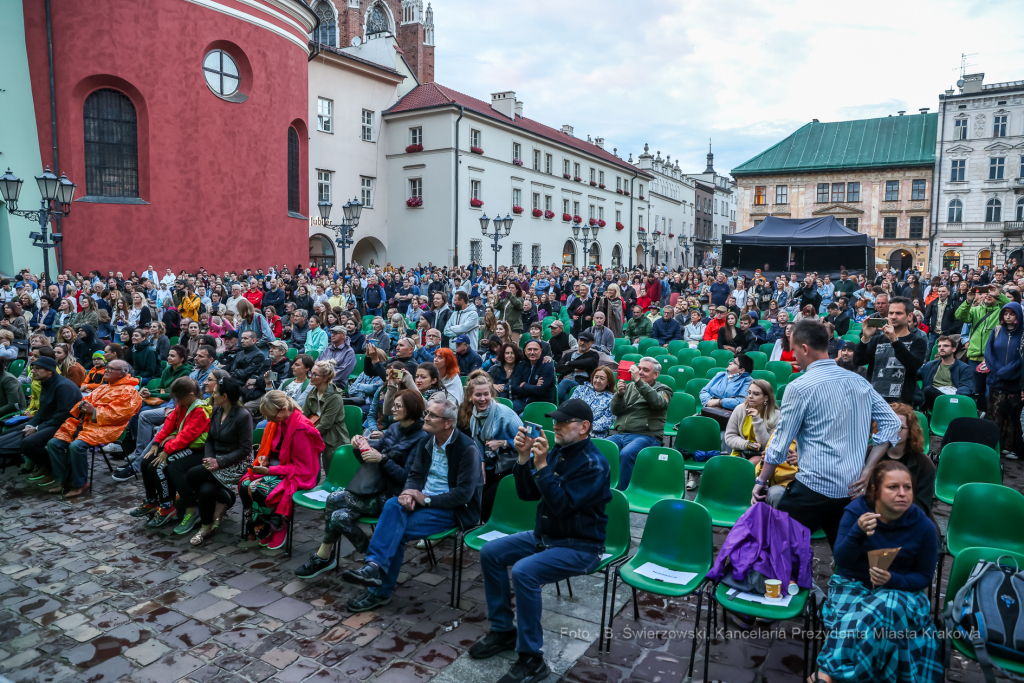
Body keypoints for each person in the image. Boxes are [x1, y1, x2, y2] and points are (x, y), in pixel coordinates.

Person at [471, 399, 610, 683]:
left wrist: (542, 464)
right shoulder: (558, 450)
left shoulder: (594, 464)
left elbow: (561, 505)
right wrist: (523, 458)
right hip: (545, 536)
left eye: (563, 422)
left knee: (525, 572)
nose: (555, 426)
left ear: (584, 427)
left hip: (581, 545)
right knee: (491, 552)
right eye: (555, 421)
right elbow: (528, 495)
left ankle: (532, 658)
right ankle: (503, 631)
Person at [753, 320, 902, 547]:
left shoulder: (799, 386)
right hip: (851, 487)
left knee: (777, 546)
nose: (793, 355)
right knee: (845, 554)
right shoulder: (857, 381)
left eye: (793, 349)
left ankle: (794, 583)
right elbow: (892, 423)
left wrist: (760, 480)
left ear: (805, 349)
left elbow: (779, 444)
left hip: (814, 486)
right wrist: (867, 468)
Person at [338, 395, 482, 612]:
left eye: (432, 415)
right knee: (393, 505)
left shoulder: (466, 449)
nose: (426, 418)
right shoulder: (427, 441)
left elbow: (463, 495)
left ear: (447, 423)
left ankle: (378, 588)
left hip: (451, 510)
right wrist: (407, 492)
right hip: (421, 502)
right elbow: (414, 474)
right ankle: (375, 568)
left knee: (397, 531)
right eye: (427, 413)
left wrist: (426, 498)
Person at [816, 460, 940, 683]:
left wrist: (893, 579)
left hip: (903, 591)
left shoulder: (924, 527)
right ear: (875, 490)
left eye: (908, 487)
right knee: (886, 620)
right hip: (853, 584)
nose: (902, 493)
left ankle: (829, 671)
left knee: (889, 605)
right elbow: (842, 562)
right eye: (893, 487)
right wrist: (858, 532)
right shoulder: (856, 513)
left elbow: (923, 577)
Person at [296, 388, 428, 579]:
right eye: (394, 404)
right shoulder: (393, 428)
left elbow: (408, 478)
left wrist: (381, 459)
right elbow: (369, 458)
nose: (393, 408)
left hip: (392, 495)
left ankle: (327, 557)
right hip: (372, 487)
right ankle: (372, 561)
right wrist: (361, 445)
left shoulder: (422, 439)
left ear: (411, 409)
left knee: (333, 499)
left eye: (399, 405)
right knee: (338, 517)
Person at [43, 359, 142, 498]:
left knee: (76, 446)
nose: (106, 370)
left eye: (111, 368)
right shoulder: (103, 386)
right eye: (107, 366)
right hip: (88, 424)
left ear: (122, 373)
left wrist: (94, 411)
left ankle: (80, 483)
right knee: (54, 443)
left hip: (109, 428)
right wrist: (82, 405)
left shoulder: (130, 391)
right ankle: (63, 480)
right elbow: (87, 400)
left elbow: (120, 415)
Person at [240, 390, 323, 549]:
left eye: (271, 416)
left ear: (284, 409)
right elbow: (271, 450)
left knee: (261, 489)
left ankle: (278, 526)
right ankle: (262, 527)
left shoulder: (301, 429)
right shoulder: (276, 422)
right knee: (245, 486)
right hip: (277, 466)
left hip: (298, 473)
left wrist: (270, 471)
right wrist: (264, 458)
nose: (269, 420)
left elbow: (302, 467)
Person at [133, 377, 213, 529]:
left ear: (190, 394)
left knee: (157, 466)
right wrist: (156, 443)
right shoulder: (183, 405)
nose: (177, 402)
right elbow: (169, 423)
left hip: (196, 448)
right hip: (180, 444)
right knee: (146, 461)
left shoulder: (199, 410)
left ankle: (168, 506)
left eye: (179, 398)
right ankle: (151, 501)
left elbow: (187, 435)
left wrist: (167, 451)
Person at [183, 376, 253, 546]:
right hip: (216, 459)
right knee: (207, 489)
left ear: (225, 396)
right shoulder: (216, 410)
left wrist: (219, 462)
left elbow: (245, 450)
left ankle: (226, 498)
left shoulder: (243, 416)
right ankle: (207, 525)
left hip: (236, 463)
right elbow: (210, 440)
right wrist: (209, 457)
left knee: (192, 474)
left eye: (215, 393)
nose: (212, 396)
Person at [460, 373, 523, 522]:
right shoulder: (474, 417)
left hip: (513, 463)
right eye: (478, 395)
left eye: (486, 394)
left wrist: (503, 443)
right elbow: (479, 445)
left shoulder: (504, 414)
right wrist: (481, 464)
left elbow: (528, 441)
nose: (483, 399)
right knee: (476, 495)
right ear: (470, 396)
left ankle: (493, 529)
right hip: (492, 463)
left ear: (491, 394)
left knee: (488, 500)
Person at [608, 357, 672, 490]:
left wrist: (638, 381)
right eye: (639, 369)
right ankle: (600, 489)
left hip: (646, 436)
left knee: (627, 454)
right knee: (601, 448)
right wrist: (619, 395)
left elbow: (658, 403)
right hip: (621, 434)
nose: (640, 372)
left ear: (656, 375)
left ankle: (623, 493)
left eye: (646, 370)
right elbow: (615, 411)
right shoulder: (630, 387)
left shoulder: (664, 389)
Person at [854, 296, 926, 405]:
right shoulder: (876, 340)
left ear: (909, 316)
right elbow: (858, 361)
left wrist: (894, 341)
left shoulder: (918, 342)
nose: (893, 317)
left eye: (898, 313)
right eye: (890, 313)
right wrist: (865, 338)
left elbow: (913, 365)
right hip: (874, 399)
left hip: (901, 403)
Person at [983, 301, 1023, 459]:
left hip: (1014, 381)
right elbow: (989, 352)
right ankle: (994, 445)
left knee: (1011, 415)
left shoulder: (1023, 334)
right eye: (1005, 313)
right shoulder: (997, 330)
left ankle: (1009, 447)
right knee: (995, 413)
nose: (1008, 316)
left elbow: (1021, 358)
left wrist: (1007, 370)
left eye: (1011, 313)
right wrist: (997, 369)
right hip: (996, 379)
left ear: (1018, 315)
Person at [955, 283, 1008, 400]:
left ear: (999, 295)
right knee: (976, 392)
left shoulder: (1003, 312)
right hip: (974, 358)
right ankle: (979, 414)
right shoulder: (975, 310)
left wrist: (999, 296)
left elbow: (1013, 308)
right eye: (985, 293)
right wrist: (968, 301)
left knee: (992, 393)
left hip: (994, 359)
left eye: (992, 293)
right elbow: (960, 316)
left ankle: (990, 416)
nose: (988, 295)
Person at [303, 358, 349, 473]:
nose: (310, 377)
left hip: (334, 435)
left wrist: (307, 435)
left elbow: (326, 425)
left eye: (314, 374)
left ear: (325, 378)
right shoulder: (313, 391)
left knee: (332, 469)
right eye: (310, 373)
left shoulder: (334, 397)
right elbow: (303, 415)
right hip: (316, 429)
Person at [724, 378, 778, 466]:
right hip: (741, 450)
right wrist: (747, 444)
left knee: (750, 464)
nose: (750, 396)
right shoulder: (740, 409)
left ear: (766, 397)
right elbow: (729, 437)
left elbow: (768, 444)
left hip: (764, 455)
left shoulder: (776, 415)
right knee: (733, 466)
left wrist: (756, 419)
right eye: (749, 392)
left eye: (756, 394)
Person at [919, 335, 972, 412]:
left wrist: (955, 398)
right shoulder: (930, 365)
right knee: (928, 390)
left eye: (946, 346)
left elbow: (966, 387)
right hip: (932, 399)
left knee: (928, 390)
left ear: (954, 349)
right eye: (939, 346)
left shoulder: (963, 368)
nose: (941, 348)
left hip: (953, 398)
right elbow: (913, 372)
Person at [569, 366, 616, 438]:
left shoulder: (612, 399)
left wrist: (583, 428)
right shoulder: (581, 389)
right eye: (596, 377)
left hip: (594, 435)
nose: (597, 380)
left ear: (608, 382)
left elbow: (606, 422)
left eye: (602, 378)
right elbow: (569, 408)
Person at [509, 340, 554, 413]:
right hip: (522, 402)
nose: (532, 352)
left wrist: (524, 385)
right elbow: (514, 388)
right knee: (505, 412)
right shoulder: (520, 365)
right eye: (529, 349)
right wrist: (534, 387)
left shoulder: (547, 366)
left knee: (522, 417)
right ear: (525, 351)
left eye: (535, 349)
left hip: (540, 403)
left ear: (541, 350)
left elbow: (541, 391)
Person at [554, 330, 599, 398]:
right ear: (578, 340)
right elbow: (558, 367)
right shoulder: (568, 355)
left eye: (585, 341)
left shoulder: (593, 355)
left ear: (591, 343)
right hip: (565, 382)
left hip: (582, 383)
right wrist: (574, 369)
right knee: (565, 397)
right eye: (581, 340)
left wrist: (569, 363)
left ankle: (551, 404)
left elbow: (586, 363)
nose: (582, 343)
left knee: (566, 382)